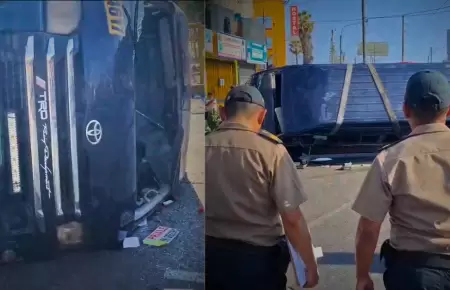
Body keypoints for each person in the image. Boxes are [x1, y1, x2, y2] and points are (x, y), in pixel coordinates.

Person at [205, 85, 319, 290]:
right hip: (257, 262)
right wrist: (309, 264)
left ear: (222, 112)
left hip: (210, 257)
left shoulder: (203, 146)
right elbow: (292, 219)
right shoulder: (271, 151)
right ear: (262, 116)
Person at [352, 70, 450, 290]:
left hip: (413, 275)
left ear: (406, 109)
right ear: (449, 110)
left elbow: (368, 227)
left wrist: (362, 276)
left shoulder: (390, 158)